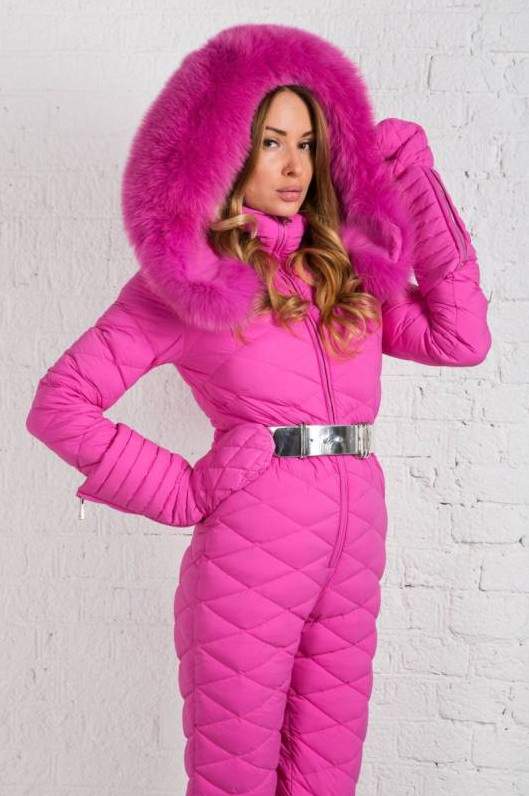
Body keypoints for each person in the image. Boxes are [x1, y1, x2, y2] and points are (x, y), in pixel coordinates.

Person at [25, 22, 492, 796]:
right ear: (219, 148)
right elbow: (62, 403)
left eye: (306, 144)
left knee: (325, 781)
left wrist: (415, 182)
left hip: (353, 551)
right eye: (271, 142)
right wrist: (183, 491)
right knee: (234, 784)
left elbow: (460, 338)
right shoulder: (188, 282)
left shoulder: (343, 271)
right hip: (247, 556)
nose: (294, 165)